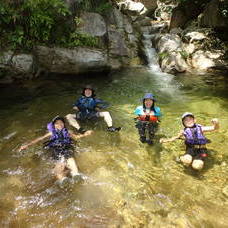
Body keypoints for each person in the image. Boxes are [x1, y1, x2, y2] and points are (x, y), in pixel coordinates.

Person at [18, 116, 93, 183]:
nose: (59, 124)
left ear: (64, 124)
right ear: (54, 125)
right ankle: (62, 179)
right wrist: (27, 145)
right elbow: (40, 138)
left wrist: (85, 134)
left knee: (70, 158)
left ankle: (75, 174)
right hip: (55, 148)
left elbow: (76, 137)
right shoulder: (51, 133)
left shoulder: (68, 132)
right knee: (59, 164)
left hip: (66, 147)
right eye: (57, 123)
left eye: (61, 123)